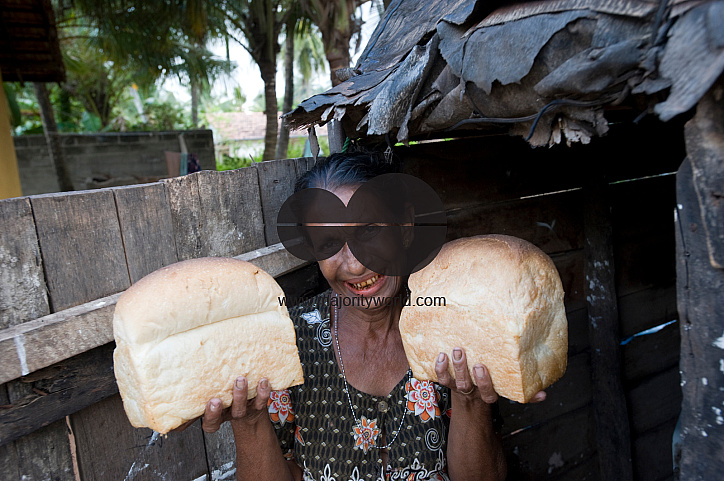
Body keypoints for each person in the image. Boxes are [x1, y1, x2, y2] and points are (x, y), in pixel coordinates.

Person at [199, 151, 546, 480]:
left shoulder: (450, 324)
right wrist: (249, 423)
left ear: (405, 227)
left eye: (368, 231)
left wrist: (469, 401)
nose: (354, 263)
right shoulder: (287, 341)